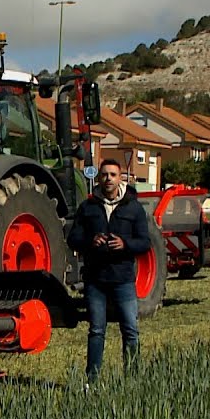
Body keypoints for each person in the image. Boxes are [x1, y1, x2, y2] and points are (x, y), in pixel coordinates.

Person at [67, 158, 152, 385]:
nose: (108, 179)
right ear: (99, 178)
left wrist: (125, 244)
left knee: (130, 330)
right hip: (96, 279)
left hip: (123, 279)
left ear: (120, 177)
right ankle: (92, 381)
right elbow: (73, 238)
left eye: (113, 175)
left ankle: (133, 380)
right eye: (104, 175)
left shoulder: (133, 208)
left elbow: (145, 242)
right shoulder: (88, 207)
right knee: (96, 330)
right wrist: (89, 241)